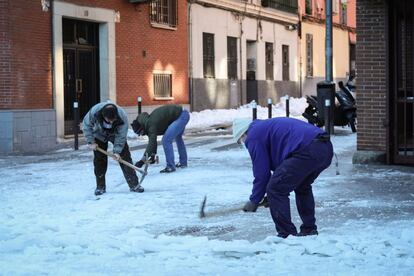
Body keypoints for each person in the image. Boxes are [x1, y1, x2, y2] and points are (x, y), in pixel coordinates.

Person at [233, 117, 333, 238]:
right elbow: (281, 168)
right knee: (302, 186)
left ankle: (287, 234)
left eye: (241, 140)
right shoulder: (264, 128)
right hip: (324, 148)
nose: (244, 143)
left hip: (306, 150)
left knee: (275, 189)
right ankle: (309, 229)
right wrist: (273, 200)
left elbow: (262, 173)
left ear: (243, 134)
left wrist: (255, 200)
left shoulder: (253, 136)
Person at [82, 102, 144, 196]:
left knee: (124, 157)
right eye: (109, 120)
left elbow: (121, 135)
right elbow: (86, 126)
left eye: (113, 120)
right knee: (99, 160)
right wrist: (91, 142)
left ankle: (134, 185)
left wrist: (117, 151)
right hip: (99, 135)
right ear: (103, 115)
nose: (111, 122)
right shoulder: (94, 112)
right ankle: (100, 187)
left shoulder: (122, 116)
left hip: (116, 135)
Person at [131, 104, 190, 173]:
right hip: (183, 113)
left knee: (166, 140)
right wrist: (153, 155)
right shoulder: (146, 121)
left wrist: (142, 161)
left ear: (142, 128)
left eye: (140, 133)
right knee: (178, 138)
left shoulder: (151, 125)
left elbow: (151, 143)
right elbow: (153, 141)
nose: (141, 135)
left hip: (181, 116)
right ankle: (183, 163)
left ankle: (170, 167)